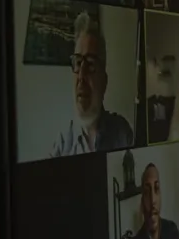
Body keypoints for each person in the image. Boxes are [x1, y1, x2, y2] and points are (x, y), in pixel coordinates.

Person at [50, 11, 133, 156]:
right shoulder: (62, 142)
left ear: (104, 81)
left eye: (90, 64)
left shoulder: (122, 132)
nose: (81, 76)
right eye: (78, 62)